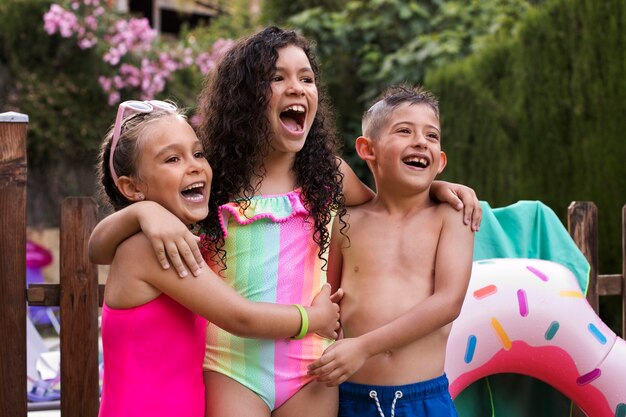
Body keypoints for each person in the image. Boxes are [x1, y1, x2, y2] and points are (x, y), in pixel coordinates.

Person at [88, 27, 481, 417]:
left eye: (306, 78)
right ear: (245, 97)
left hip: (311, 368)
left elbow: (387, 205)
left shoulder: (330, 174)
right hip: (232, 366)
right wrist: (143, 211)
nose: (297, 87)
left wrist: (436, 188)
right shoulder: (216, 176)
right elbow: (100, 249)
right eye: (277, 78)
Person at [94, 99, 341, 417]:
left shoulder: (178, 239)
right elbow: (240, 317)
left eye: (198, 153)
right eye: (172, 158)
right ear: (132, 187)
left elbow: (96, 248)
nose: (195, 165)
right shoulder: (146, 249)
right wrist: (314, 319)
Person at [307, 85, 475, 417]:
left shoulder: (451, 215)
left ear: (440, 161)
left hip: (423, 400)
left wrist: (362, 347)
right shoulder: (345, 221)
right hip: (349, 398)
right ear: (368, 149)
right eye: (404, 131)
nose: (420, 142)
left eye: (431, 135)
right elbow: (328, 294)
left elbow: (448, 302)